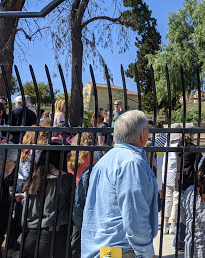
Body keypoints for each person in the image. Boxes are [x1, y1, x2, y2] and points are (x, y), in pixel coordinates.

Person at [81, 110, 158, 258]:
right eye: (148, 131)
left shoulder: (105, 160)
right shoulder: (132, 163)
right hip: (122, 249)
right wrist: (147, 252)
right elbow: (135, 214)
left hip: (100, 248)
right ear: (143, 135)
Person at [22, 144, 74, 258]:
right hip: (53, 235)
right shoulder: (65, 179)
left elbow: (25, 209)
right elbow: (73, 208)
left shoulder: (33, 177)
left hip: (29, 234)